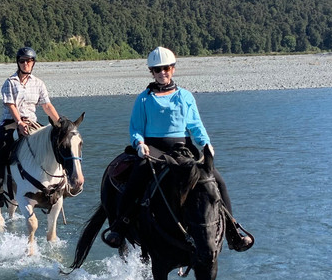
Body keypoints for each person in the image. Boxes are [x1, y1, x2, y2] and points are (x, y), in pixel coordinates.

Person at [101, 46, 254, 251]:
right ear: (152, 72)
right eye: (157, 69)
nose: (162, 72)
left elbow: (195, 126)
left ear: (173, 69)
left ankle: (232, 231)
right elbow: (136, 128)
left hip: (184, 148)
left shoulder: (186, 97)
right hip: (153, 148)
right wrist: (139, 144)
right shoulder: (144, 99)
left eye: (166, 68)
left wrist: (205, 143)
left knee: (218, 181)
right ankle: (120, 226)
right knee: (136, 178)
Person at [0, 46, 62, 210]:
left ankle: (63, 184)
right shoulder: (10, 82)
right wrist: (19, 122)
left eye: (29, 60)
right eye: (22, 61)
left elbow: (47, 105)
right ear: (18, 63)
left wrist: (60, 124)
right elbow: (11, 105)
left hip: (33, 123)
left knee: (56, 145)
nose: (26, 63)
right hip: (10, 123)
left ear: (34, 63)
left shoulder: (39, 83)